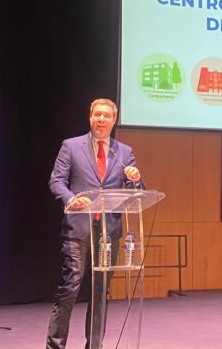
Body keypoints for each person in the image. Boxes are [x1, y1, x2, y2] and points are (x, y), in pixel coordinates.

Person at [46, 98, 142, 349]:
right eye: (97, 115)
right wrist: (71, 198)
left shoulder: (123, 152)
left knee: (100, 294)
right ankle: (55, 346)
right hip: (77, 229)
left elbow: (136, 191)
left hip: (108, 233)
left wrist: (135, 179)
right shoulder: (71, 146)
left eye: (106, 116)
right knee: (70, 288)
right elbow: (56, 182)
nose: (101, 119)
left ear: (114, 120)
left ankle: (95, 346)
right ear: (90, 117)